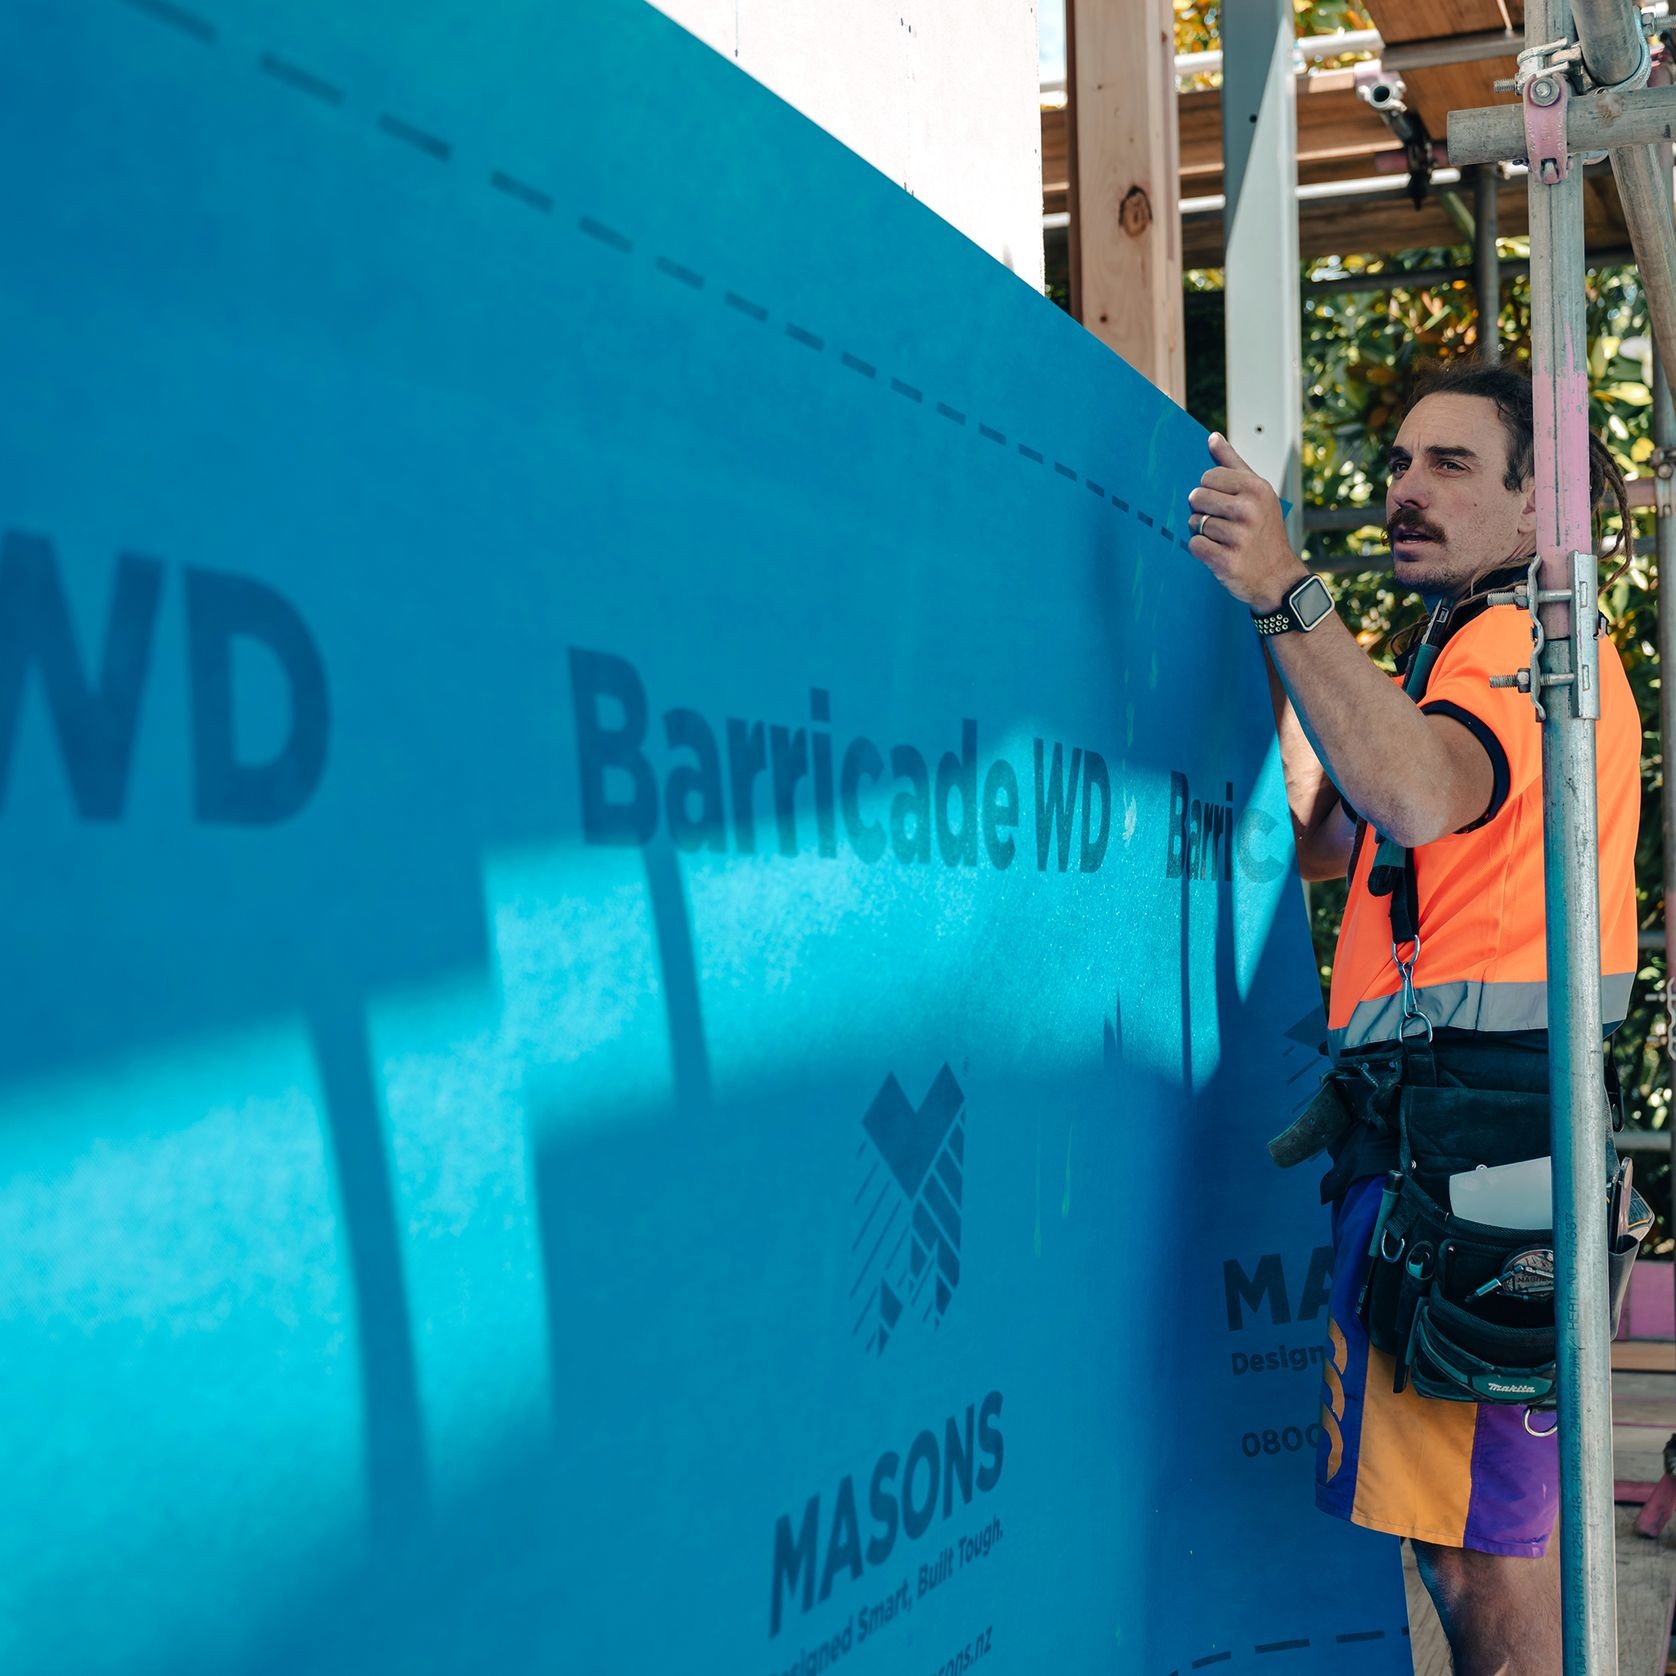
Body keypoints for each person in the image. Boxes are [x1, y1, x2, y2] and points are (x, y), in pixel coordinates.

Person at [1184, 360, 1640, 1676]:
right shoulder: (1470, 644)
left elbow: (1423, 795)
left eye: (1449, 465)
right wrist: (1285, 645)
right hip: (1468, 1157)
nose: (1403, 491)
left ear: (1531, 500)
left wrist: (1287, 588)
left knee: (1483, 1568)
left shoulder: (1521, 641)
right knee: (1480, 1546)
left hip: (1474, 1165)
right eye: (1397, 463)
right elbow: (1336, 835)